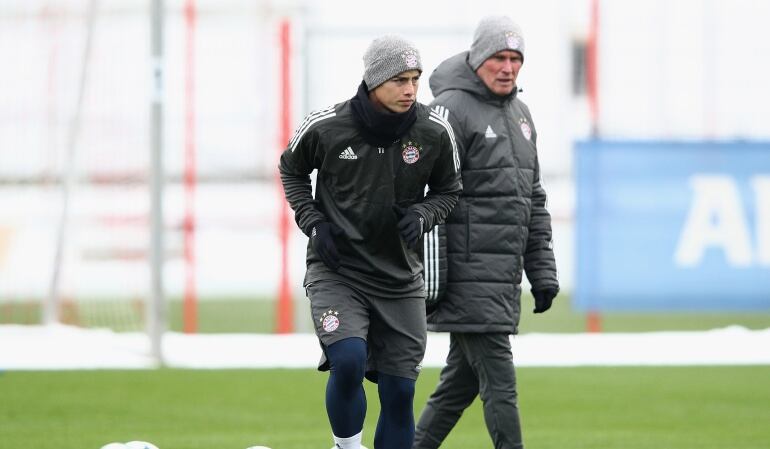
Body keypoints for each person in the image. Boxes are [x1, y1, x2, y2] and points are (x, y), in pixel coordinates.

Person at [279, 35, 462, 449]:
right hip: (338, 272)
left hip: (400, 278)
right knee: (347, 362)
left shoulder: (434, 130)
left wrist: (423, 214)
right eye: (400, 80)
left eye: (415, 79)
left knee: (399, 392)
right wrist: (314, 222)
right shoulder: (326, 126)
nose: (411, 89)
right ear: (374, 81)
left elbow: (450, 190)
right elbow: (290, 169)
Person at [413, 16, 560, 449]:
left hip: (501, 278)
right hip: (465, 275)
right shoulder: (450, 110)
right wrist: (431, 277)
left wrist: (543, 272)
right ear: (479, 59)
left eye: (516, 58)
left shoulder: (522, 114)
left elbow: (531, 198)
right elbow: (423, 192)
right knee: (501, 382)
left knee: (459, 385)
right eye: (499, 57)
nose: (508, 67)